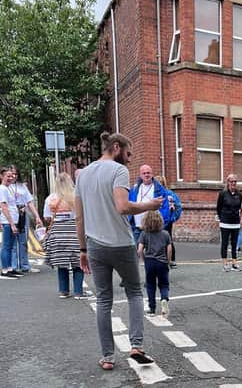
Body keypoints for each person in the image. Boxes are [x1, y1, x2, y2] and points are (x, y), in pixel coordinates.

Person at [75, 132, 163, 370]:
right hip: (121, 244)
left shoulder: (82, 175)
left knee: (104, 300)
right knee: (135, 292)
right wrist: (150, 205)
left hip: (94, 245)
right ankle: (136, 346)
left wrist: (82, 248)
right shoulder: (118, 170)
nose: (130, 159)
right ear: (116, 147)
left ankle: (107, 357)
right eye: (128, 153)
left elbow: (79, 217)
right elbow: (123, 207)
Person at [44, 172, 87, 299]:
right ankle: (78, 292)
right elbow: (81, 216)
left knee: (61, 263)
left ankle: (63, 291)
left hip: (57, 233)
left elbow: (47, 217)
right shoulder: (76, 197)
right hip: (74, 232)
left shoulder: (50, 198)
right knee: (78, 262)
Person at [6, 166, 43, 273]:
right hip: (11, 217)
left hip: (22, 215)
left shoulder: (22, 186)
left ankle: (25, 266)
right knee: (12, 243)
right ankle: (13, 266)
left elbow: (29, 202)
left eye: (16, 174)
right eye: (12, 173)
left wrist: (37, 216)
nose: (14, 176)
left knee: (23, 242)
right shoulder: (5, 187)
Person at [137, 210, 172, 317]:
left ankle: (152, 309)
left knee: (150, 285)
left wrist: (143, 260)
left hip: (150, 262)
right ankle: (164, 299)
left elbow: (139, 250)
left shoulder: (144, 234)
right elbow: (169, 248)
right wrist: (168, 261)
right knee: (164, 284)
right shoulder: (165, 234)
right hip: (162, 262)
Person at [0, 167, 24, 279]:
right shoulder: (2, 189)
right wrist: (11, 224)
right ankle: (5, 271)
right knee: (6, 246)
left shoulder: (8, 188)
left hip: (12, 220)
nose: (10, 178)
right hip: (8, 222)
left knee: (11, 246)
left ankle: (10, 269)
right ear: (1, 176)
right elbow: (4, 206)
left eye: (12, 176)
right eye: (8, 175)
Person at [216, 173, 242, 272]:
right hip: (225, 222)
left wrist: (241, 219)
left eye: (235, 181)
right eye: (231, 181)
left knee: (234, 243)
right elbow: (218, 208)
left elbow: (240, 208)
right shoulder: (222, 194)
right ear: (228, 182)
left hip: (235, 223)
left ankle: (234, 263)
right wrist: (222, 217)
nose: (233, 183)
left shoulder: (239, 194)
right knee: (224, 243)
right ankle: (225, 263)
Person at [154, 175, 182, 266]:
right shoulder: (170, 193)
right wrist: (174, 217)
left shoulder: (164, 194)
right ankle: (171, 259)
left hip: (162, 220)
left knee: (162, 239)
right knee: (168, 239)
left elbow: (177, 206)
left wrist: (173, 217)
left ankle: (165, 259)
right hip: (166, 220)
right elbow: (178, 207)